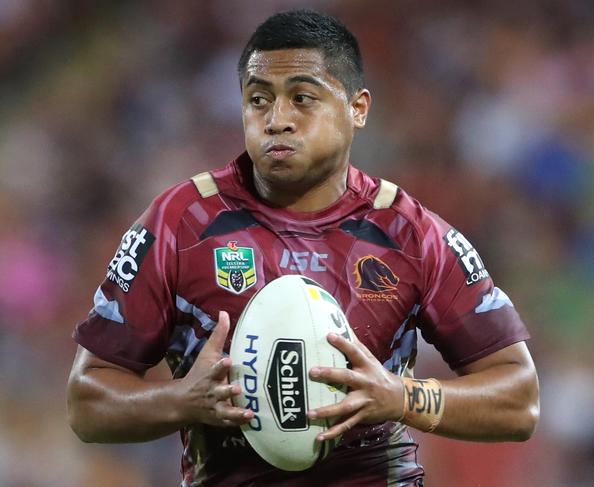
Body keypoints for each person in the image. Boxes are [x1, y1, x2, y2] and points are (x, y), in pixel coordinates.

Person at [66, 8, 539, 487]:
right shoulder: (180, 222)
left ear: (358, 108)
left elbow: (520, 398)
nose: (277, 120)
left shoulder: (410, 232)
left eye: (302, 98)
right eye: (258, 100)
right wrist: (182, 400)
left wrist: (400, 397)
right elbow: (87, 401)